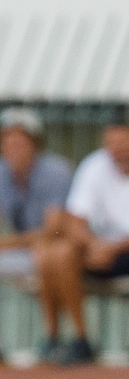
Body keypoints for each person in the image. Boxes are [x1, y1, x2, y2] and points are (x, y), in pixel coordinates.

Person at [39, 117, 129, 367]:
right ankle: (80, 339)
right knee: (60, 253)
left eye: (123, 140)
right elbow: (75, 221)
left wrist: (116, 247)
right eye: (111, 142)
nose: (117, 148)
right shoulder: (93, 166)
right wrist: (93, 245)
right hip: (104, 250)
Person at [0, 107, 74, 362]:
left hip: (58, 249)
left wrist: (7, 243)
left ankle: (53, 338)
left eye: (20, 142)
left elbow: (52, 230)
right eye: (8, 142)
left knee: (46, 254)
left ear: (35, 144)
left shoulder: (55, 171)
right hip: (22, 249)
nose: (13, 148)